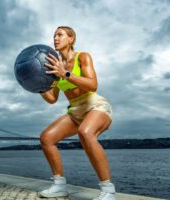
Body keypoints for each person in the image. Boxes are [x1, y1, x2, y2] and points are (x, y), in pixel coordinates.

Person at [38, 26, 116, 200]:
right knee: (46, 138)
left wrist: (65, 73)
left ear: (71, 39)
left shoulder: (82, 57)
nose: (55, 39)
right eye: (54, 36)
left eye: (60, 35)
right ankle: (59, 186)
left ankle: (108, 191)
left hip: (95, 105)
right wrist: (38, 87)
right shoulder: (55, 67)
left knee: (85, 133)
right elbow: (52, 99)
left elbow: (92, 85)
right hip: (75, 110)